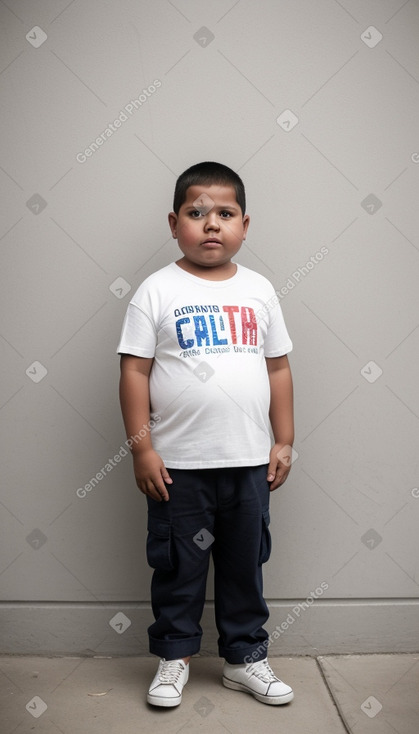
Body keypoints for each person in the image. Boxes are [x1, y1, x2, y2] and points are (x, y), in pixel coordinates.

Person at [117, 161, 295, 708]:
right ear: (174, 224)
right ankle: (175, 658)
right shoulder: (156, 290)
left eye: (224, 213)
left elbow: (279, 368)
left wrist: (284, 440)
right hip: (180, 467)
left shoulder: (260, 290)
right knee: (179, 566)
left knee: (245, 564)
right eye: (196, 213)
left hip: (247, 464)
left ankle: (246, 659)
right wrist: (142, 448)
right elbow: (134, 371)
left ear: (246, 224)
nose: (211, 224)